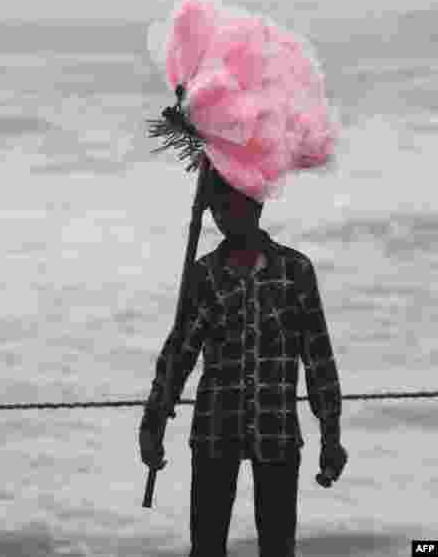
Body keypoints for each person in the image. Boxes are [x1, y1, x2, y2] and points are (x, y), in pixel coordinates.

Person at [138, 168, 349, 557]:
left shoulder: (295, 272)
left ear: (257, 203)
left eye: (232, 205)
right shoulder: (203, 275)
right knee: (206, 546)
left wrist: (331, 434)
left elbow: (318, 357)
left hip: (278, 429)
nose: (223, 216)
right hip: (215, 429)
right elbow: (178, 355)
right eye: (217, 208)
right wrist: (153, 421)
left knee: (278, 546)